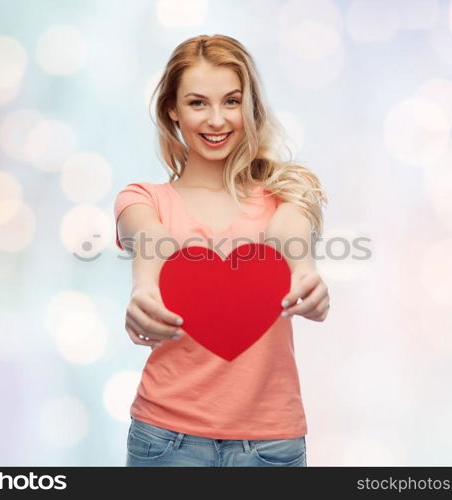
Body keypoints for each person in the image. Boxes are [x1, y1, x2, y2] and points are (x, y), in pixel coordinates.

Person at [113, 34, 329, 467]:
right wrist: (145, 289)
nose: (216, 120)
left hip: (271, 445)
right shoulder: (142, 198)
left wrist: (304, 272)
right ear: (172, 109)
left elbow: (289, 233)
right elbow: (151, 239)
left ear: (250, 107)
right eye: (197, 103)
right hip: (165, 441)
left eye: (231, 101)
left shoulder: (287, 192)